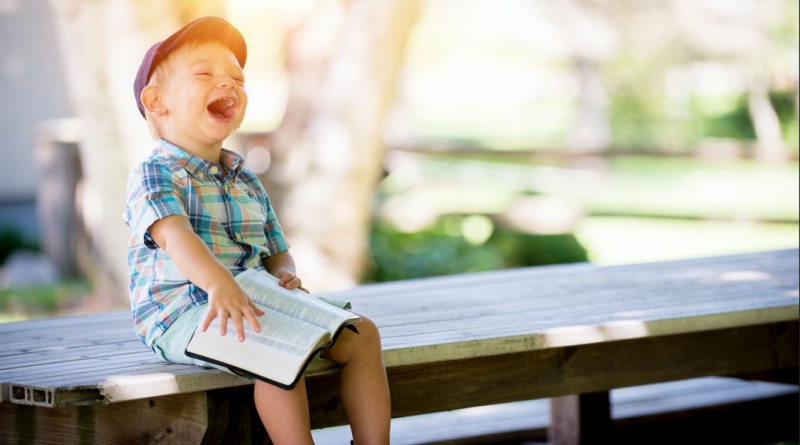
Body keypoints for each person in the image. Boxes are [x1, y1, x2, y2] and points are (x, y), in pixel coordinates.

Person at [122, 16, 391, 444]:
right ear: (156, 102)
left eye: (237, 78)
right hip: (184, 313)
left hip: (253, 296)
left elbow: (275, 247)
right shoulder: (156, 173)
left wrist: (284, 272)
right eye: (205, 73)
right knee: (278, 353)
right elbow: (177, 237)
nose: (228, 84)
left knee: (362, 334)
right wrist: (219, 283)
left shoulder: (243, 176)